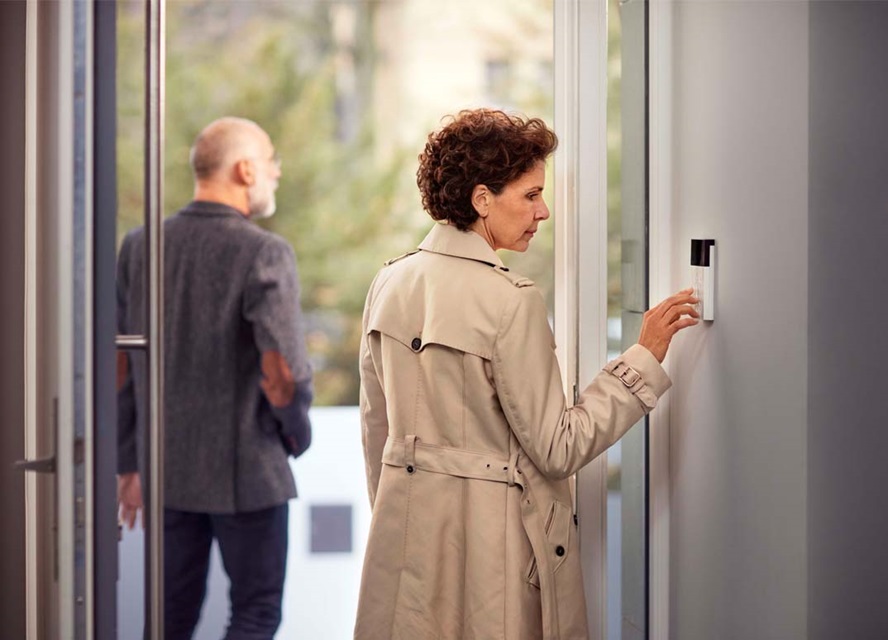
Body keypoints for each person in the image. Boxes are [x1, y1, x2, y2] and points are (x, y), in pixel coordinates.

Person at [354, 109, 698, 639]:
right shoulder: (509, 300)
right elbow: (559, 448)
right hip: (490, 555)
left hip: (403, 546)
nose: (544, 211)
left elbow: (377, 436)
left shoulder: (389, 282)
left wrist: (407, 517)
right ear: (482, 199)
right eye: (531, 194)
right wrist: (642, 359)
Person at [116, 117, 313, 640]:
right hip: (247, 471)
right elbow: (282, 368)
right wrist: (296, 432)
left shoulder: (139, 247)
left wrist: (128, 460)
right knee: (254, 613)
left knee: (168, 617)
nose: (276, 171)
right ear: (245, 169)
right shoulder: (264, 252)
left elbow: (122, 361)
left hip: (168, 471)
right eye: (270, 160)